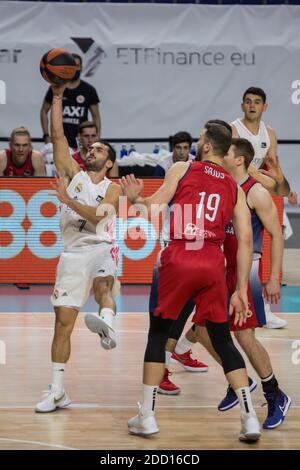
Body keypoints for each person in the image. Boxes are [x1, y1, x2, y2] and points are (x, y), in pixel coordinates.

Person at [121, 123, 261, 442]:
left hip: (181, 255)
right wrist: (240, 289)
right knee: (224, 340)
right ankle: (250, 417)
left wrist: (135, 198)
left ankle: (147, 416)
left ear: (208, 146)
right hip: (213, 262)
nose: (196, 143)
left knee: (158, 334)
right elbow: (246, 238)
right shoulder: (234, 186)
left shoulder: (183, 167)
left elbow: (154, 206)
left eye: (200, 138)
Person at [35, 82, 121, 413]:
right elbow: (58, 137)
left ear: (110, 162)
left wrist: (69, 201)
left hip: (101, 247)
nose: (91, 151)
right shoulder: (74, 174)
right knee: (62, 324)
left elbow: (102, 218)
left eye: (99, 150)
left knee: (104, 285)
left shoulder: (113, 188)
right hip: (72, 254)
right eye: (89, 148)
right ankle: (57, 391)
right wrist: (57, 96)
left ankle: (107, 322)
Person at [196, 138, 291, 429]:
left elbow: (276, 233)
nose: (221, 156)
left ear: (238, 159)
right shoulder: (222, 185)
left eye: (227, 154)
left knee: (245, 337)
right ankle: (240, 378)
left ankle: (275, 395)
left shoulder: (256, 192)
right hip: (218, 269)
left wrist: (273, 278)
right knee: (202, 332)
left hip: (245, 270)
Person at [157, 122, 233, 395]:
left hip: (206, 251)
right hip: (178, 246)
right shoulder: (184, 169)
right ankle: (162, 368)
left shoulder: (221, 177)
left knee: (202, 316)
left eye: (199, 139)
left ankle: (181, 350)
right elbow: (158, 202)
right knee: (174, 317)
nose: (194, 145)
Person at [231, 86, 293, 328]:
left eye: (257, 102)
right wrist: (268, 181)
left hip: (257, 192)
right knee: (243, 251)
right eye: (248, 101)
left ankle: (262, 308)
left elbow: (273, 171)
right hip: (238, 193)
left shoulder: (270, 133)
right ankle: (251, 304)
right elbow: (242, 170)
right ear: (242, 105)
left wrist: (281, 185)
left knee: (261, 249)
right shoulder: (234, 129)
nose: (252, 105)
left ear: (265, 106)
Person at [40, 53, 101, 149]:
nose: (75, 69)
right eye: (72, 66)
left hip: (81, 143)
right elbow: (44, 111)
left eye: (77, 66)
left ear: (81, 67)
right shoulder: (57, 88)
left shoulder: (89, 90)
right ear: (67, 67)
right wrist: (46, 136)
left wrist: (97, 138)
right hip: (59, 141)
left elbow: (96, 116)